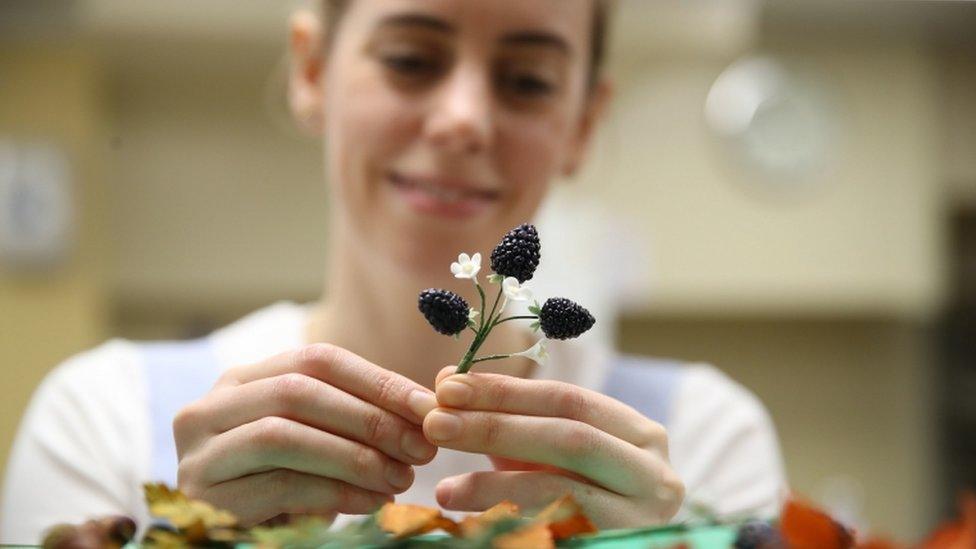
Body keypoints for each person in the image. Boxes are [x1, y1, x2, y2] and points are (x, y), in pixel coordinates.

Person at [0, 0, 787, 543]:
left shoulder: (704, 441)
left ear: (582, 122)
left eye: (527, 81)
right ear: (311, 72)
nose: (464, 119)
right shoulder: (105, 419)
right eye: (413, 59)